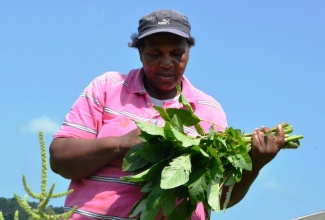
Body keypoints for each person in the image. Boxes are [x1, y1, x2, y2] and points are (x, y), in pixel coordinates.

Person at [49, 9, 285, 219]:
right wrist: (121, 144)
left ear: (188, 52)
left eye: (176, 53)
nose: (166, 63)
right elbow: (60, 159)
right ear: (140, 52)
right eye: (155, 54)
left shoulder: (208, 110)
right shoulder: (107, 87)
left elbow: (218, 198)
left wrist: (255, 164)